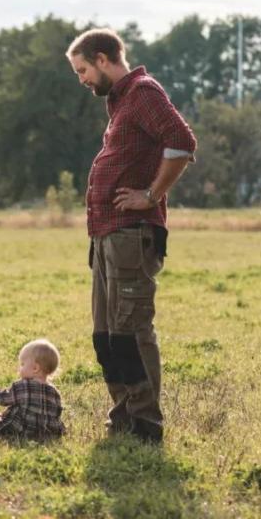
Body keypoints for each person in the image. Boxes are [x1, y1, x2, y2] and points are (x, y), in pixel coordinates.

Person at [66, 28, 197, 444]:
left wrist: (151, 195)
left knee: (130, 332)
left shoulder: (142, 92)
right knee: (106, 335)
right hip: (106, 235)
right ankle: (123, 415)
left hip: (130, 235)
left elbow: (181, 142)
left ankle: (145, 424)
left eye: (83, 70)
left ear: (103, 59)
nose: (82, 79)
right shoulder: (120, 101)